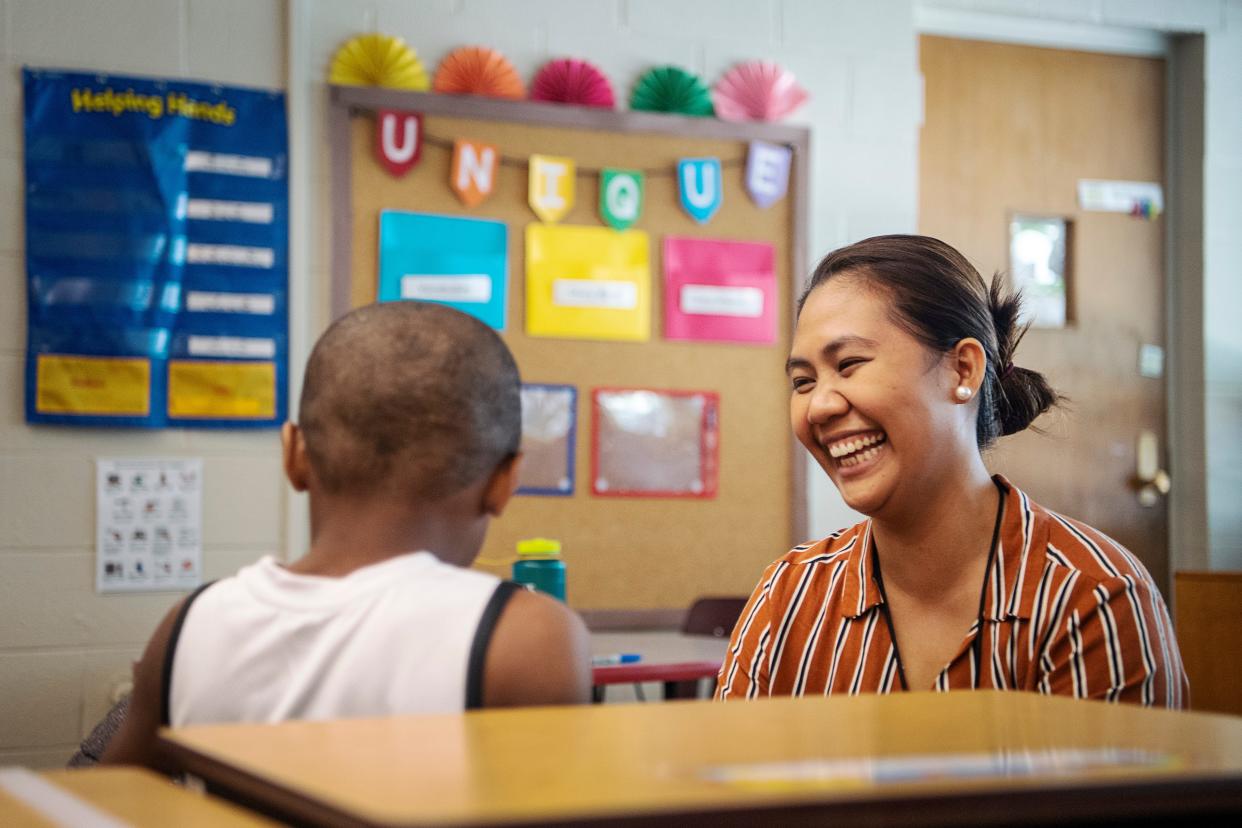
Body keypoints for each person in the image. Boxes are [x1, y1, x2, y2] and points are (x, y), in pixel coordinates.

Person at [103, 302, 591, 767]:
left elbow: (104, 803)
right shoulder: (527, 637)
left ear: (293, 454)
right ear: (506, 482)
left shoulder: (189, 625)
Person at [716, 235, 1187, 706]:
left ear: (962, 370)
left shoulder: (1091, 597)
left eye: (850, 364)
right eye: (803, 381)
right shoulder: (790, 596)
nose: (818, 405)